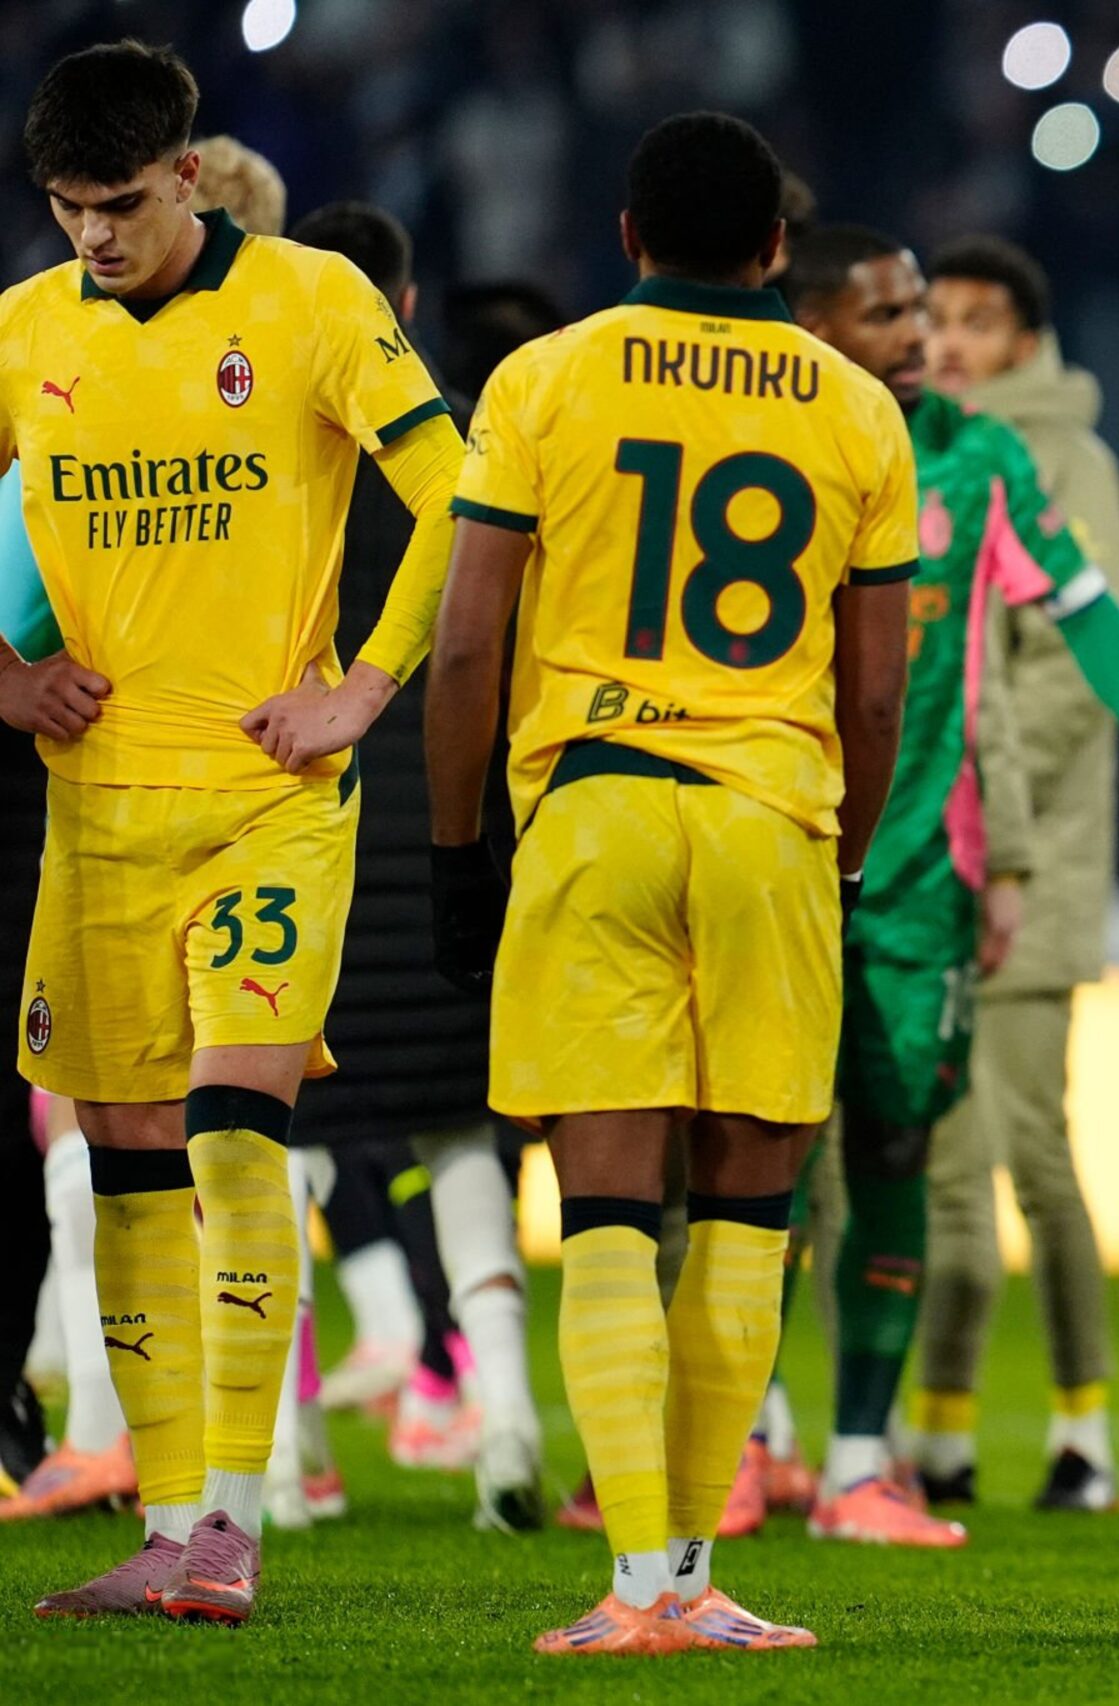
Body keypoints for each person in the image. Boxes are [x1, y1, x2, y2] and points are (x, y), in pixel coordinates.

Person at [424, 111, 915, 1656]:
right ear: (779, 246)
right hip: (770, 815)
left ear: (625, 240)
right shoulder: (857, 411)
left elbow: (465, 644)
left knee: (615, 1211)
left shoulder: (545, 376)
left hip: (595, 808)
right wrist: (835, 850)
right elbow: (880, 687)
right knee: (755, 1214)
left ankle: (636, 1583)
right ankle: (697, 1577)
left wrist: (454, 852)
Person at [0, 40, 462, 1623]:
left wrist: (369, 687)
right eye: (66, 209)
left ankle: (235, 1526)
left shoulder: (317, 301)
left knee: (227, 1126)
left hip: (270, 797)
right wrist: (4, 673)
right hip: (100, 812)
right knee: (122, 1155)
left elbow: (462, 494)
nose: (93, 238)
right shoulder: (22, 333)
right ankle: (171, 1514)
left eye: (118, 203)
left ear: (187, 173)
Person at [791, 225, 1119, 1534]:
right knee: (749, 1168)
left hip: (923, 874)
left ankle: (861, 1459)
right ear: (810, 327)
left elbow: (1088, 608)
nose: (921, 334)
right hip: (772, 852)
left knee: (898, 1154)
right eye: (890, 313)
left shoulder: (981, 463)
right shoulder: (755, 441)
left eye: (926, 309)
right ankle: (734, 1445)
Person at [286, 197, 545, 1532]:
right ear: (407, 301)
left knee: (265, 1151)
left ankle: (284, 1466)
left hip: (300, 827)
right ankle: (504, 1419)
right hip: (452, 833)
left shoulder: (263, 443)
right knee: (464, 1149)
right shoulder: (480, 453)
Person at [910, 233, 1119, 1509]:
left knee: (1029, 1150)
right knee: (933, 1157)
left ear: (1025, 339)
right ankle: (938, 1432)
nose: (948, 338)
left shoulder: (1064, 460)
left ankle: (1083, 1428)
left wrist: (958, 751)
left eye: (976, 319)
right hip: (922, 852)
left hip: (1030, 860)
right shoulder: (916, 444)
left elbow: (1079, 664)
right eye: (934, 314)